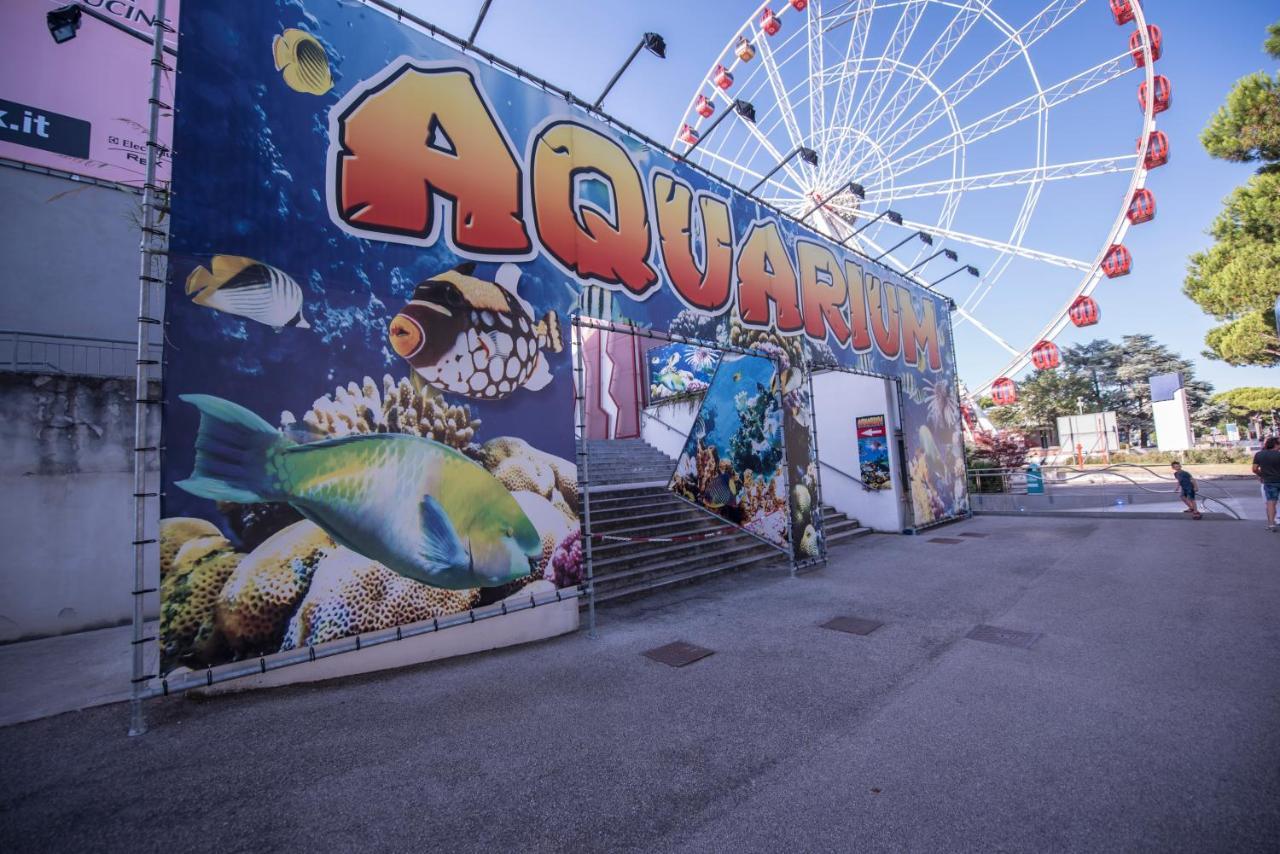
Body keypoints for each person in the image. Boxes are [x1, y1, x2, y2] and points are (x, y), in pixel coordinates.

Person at [1252, 436, 1280, 533]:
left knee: (1271, 502)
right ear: (1276, 444)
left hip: (1269, 481)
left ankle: (1271, 524)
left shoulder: (1259, 455)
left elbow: (1254, 469)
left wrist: (1262, 475)